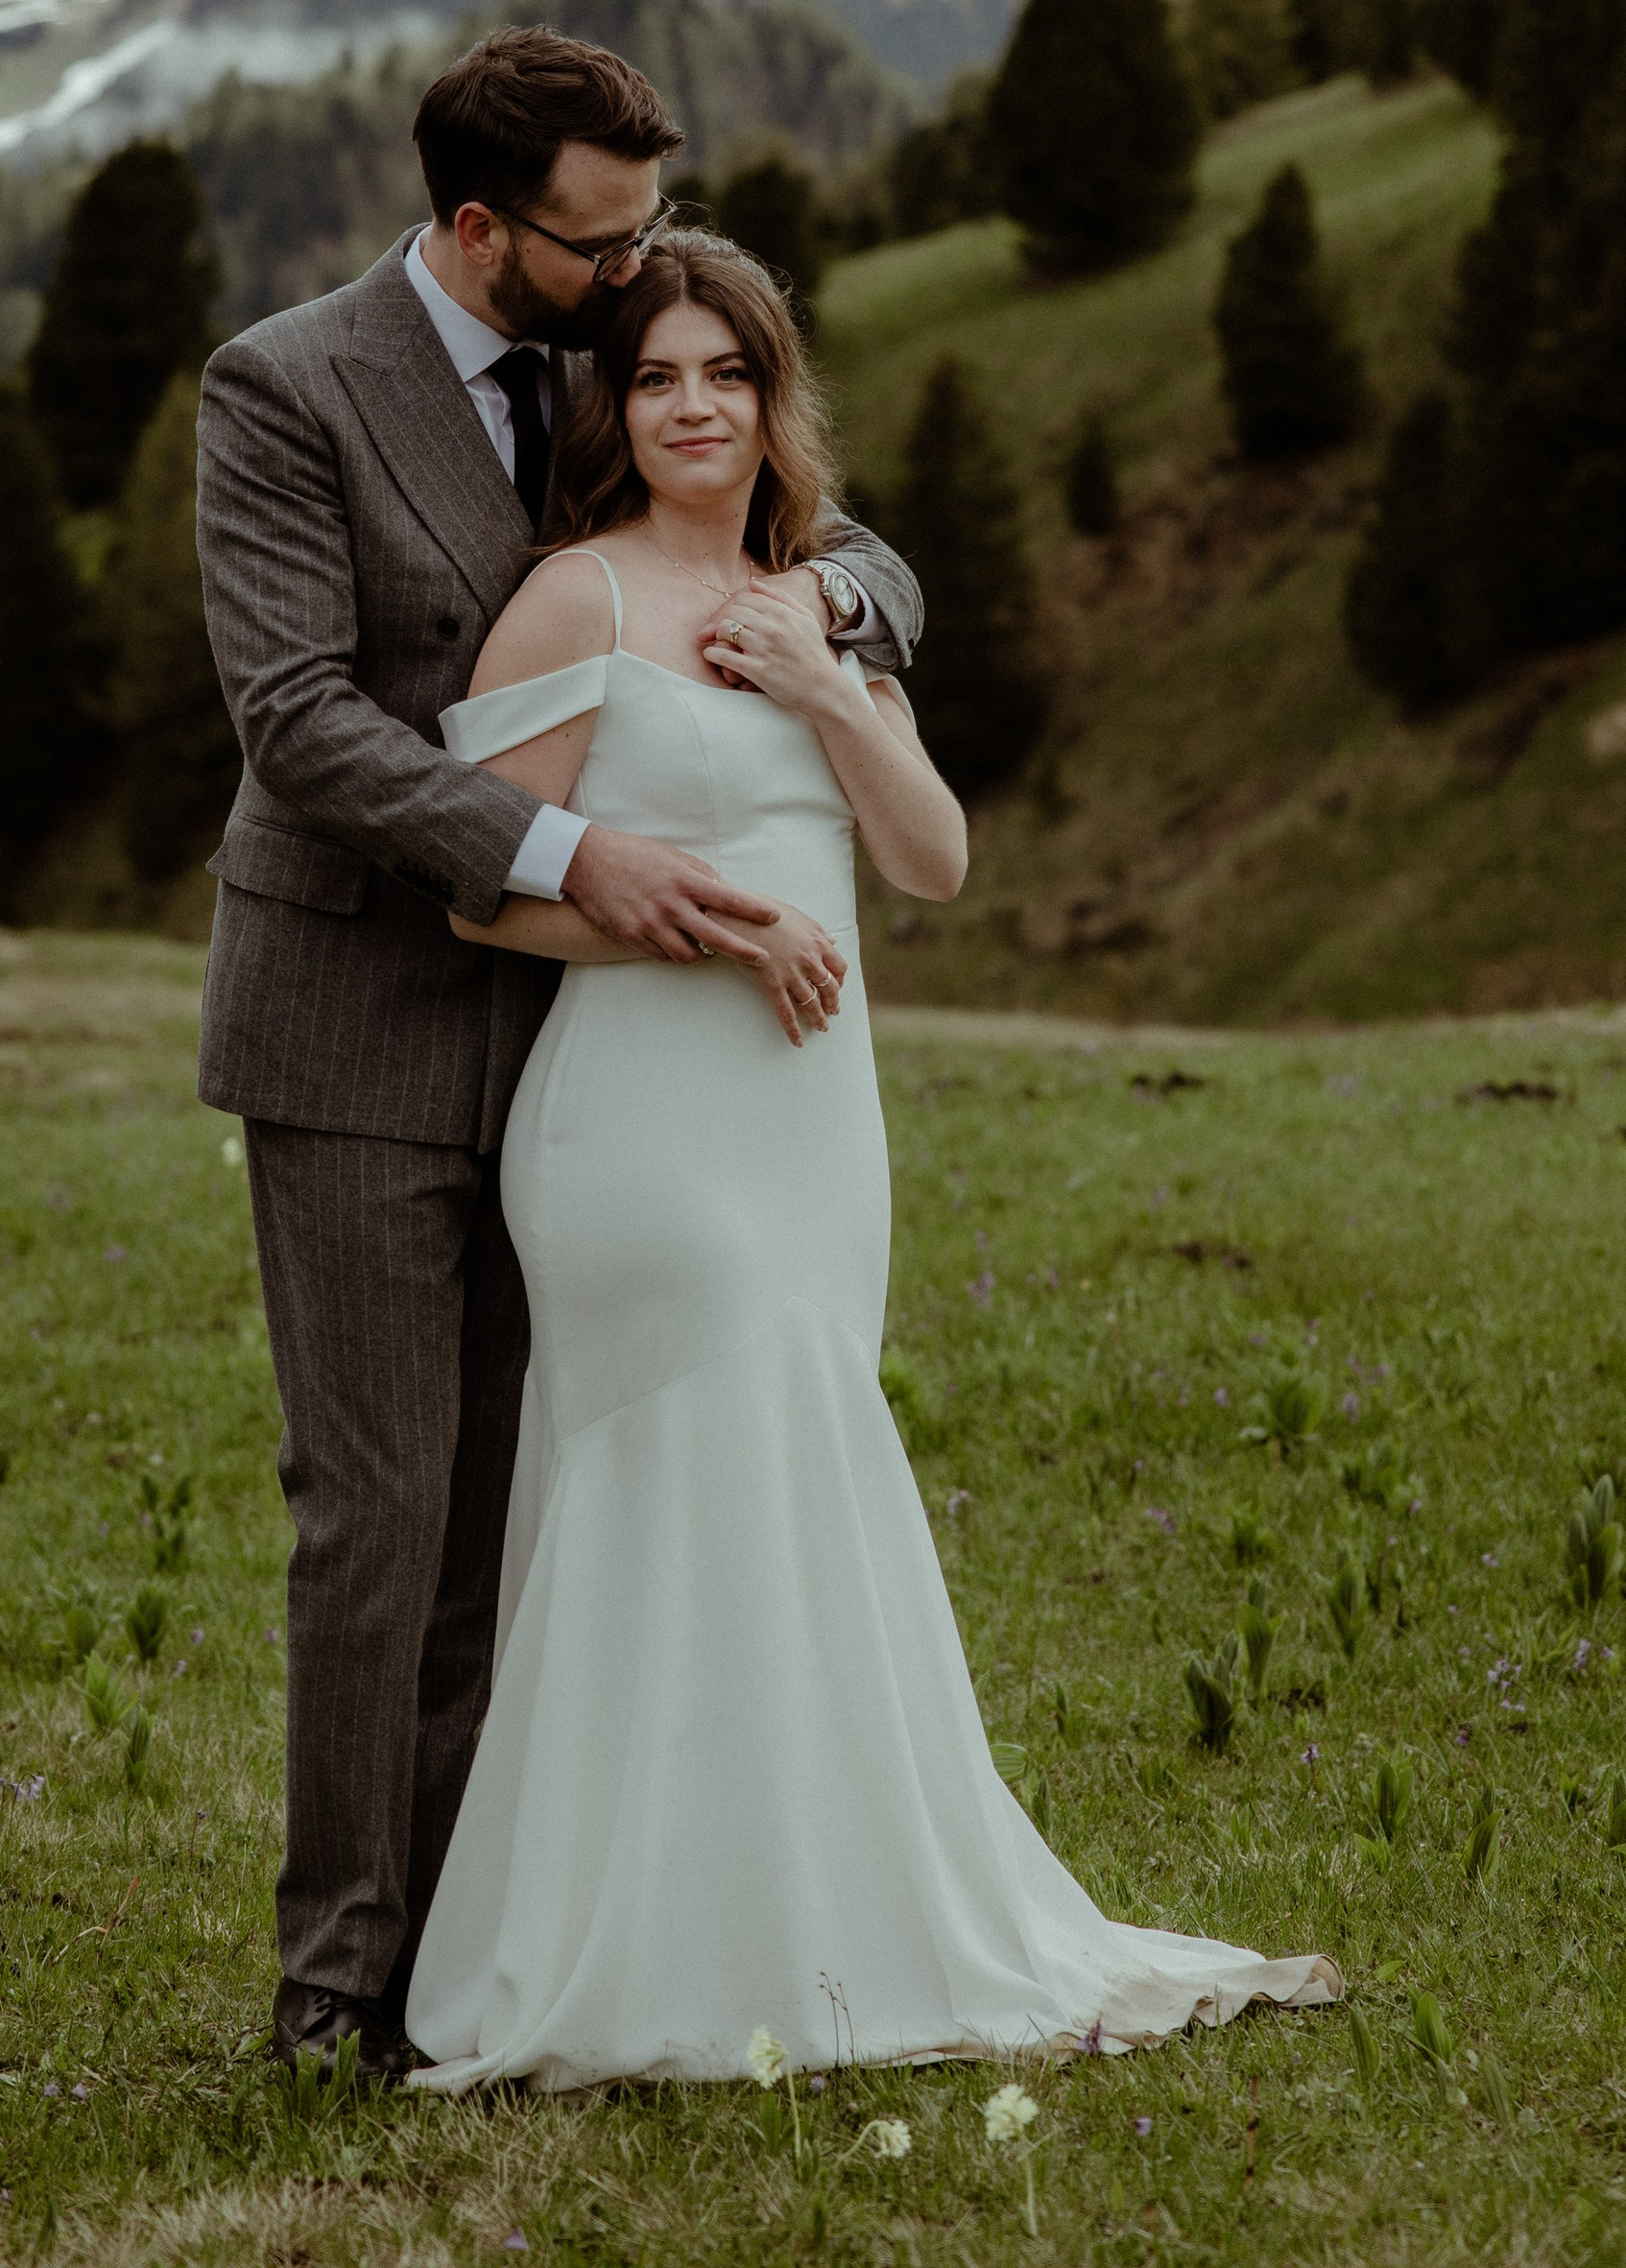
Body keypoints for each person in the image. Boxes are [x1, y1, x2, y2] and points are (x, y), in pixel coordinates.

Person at [403, 231, 1341, 2089]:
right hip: (641, 1126)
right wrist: (708, 929)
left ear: (774, 398)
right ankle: (636, 1946)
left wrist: (824, 683)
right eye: (655, 377)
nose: (692, 407)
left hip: (813, 1129)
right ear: (615, 409)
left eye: (725, 374)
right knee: (687, 1475)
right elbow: (478, 898)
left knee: (799, 1474)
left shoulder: (826, 598)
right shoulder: (573, 599)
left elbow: (932, 860)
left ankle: (813, 1914)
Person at [193, 31, 921, 2081]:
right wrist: (570, 852)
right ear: (477, 225)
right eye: (597, 243)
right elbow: (299, 717)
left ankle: (485, 1949)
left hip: (594, 1049)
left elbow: (818, 522)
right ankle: (339, 1985)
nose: (631, 275)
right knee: (378, 1513)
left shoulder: (613, 340)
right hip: (359, 1019)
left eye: (640, 235)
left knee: (522, 1511)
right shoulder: (286, 385)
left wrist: (833, 606)